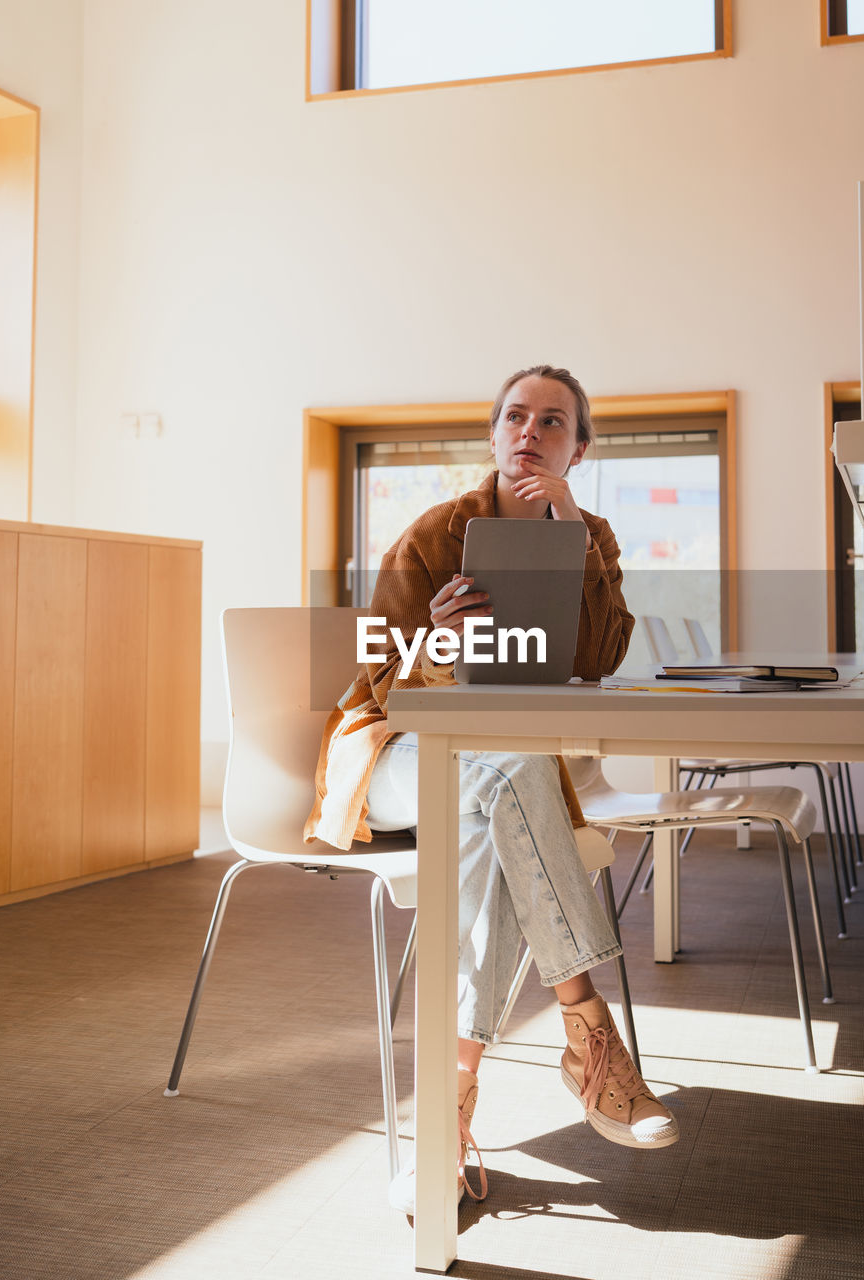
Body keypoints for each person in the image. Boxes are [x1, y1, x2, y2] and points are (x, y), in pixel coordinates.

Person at [305, 365, 678, 1213]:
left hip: (491, 780)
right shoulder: (436, 532)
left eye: (552, 422)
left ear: (576, 449)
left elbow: (599, 657)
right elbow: (377, 680)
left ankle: (448, 1105)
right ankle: (587, 1027)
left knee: (490, 818)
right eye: (515, 416)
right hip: (398, 756)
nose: (529, 433)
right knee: (505, 773)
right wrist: (434, 645)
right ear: (493, 433)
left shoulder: (592, 534)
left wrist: (574, 535)